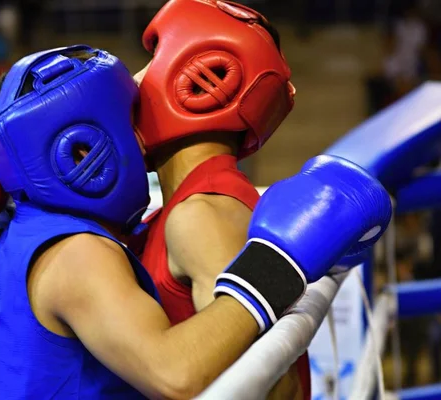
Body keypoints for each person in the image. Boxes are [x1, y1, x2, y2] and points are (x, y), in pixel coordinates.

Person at [0, 45, 392, 399]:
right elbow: (174, 374)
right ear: (81, 151)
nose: (145, 140)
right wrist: (279, 261)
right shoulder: (76, 254)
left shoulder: (36, 233)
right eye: (130, 119)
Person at [131, 1, 306, 398]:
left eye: (152, 58)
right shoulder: (183, 209)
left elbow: (272, 385)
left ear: (198, 80)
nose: (134, 79)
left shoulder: (204, 214)